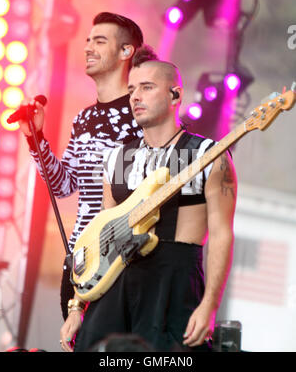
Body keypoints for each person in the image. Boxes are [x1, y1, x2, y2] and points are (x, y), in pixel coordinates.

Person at [59, 50, 237, 352]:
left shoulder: (210, 155)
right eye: (131, 89)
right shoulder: (116, 157)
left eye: (147, 87)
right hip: (115, 288)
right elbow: (100, 238)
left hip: (174, 284)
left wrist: (209, 305)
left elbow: (222, 234)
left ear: (175, 94)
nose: (135, 97)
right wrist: (78, 306)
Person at [18, 12, 147, 320]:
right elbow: (64, 186)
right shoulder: (84, 118)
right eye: (88, 40)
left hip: (120, 265)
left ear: (126, 51)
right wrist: (36, 138)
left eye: (99, 41)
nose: (88, 47)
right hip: (78, 262)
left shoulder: (141, 115)